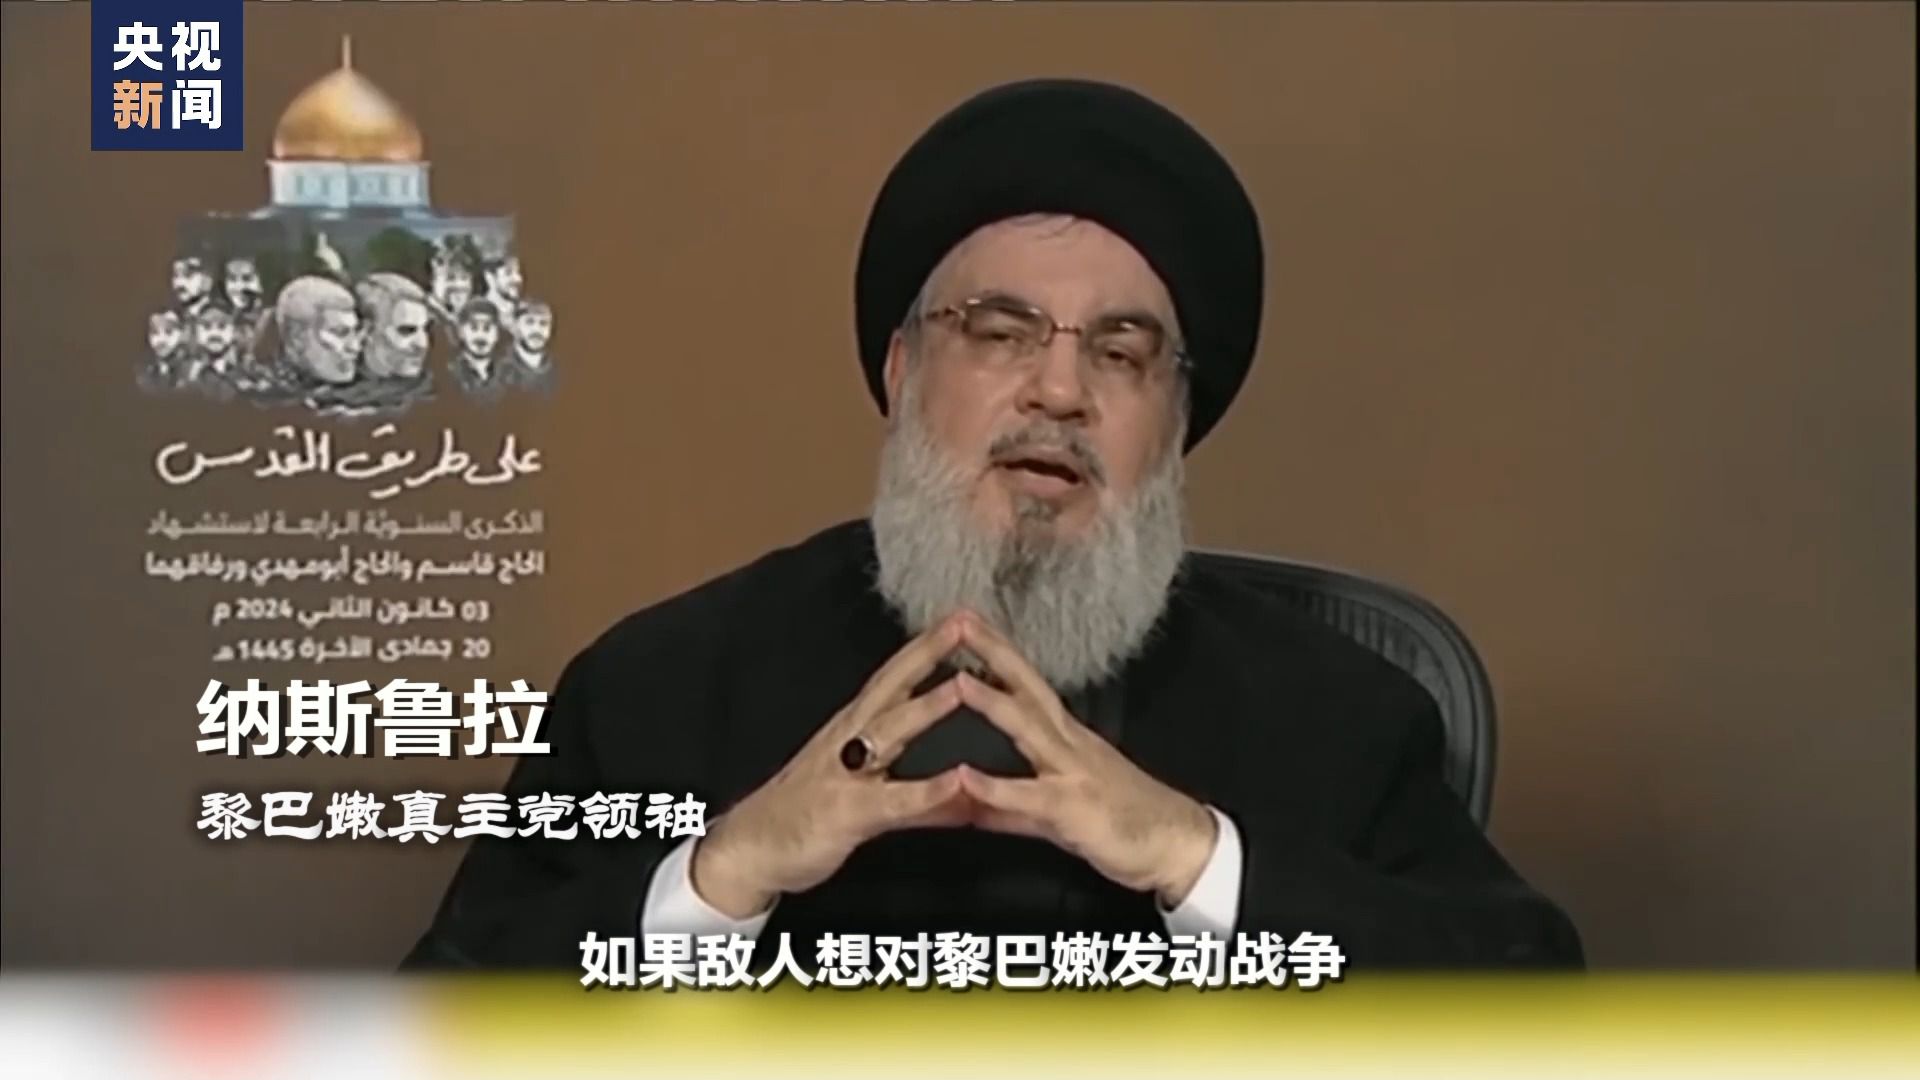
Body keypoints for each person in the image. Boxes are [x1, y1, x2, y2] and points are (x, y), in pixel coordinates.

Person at [406, 79, 1582, 972]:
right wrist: (723, 875)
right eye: (1000, 333)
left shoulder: (1338, 713)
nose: (1059, 391)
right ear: (902, 369)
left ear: (1175, 422)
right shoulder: (662, 686)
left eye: (1122, 353)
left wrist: (1195, 855)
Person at [501, 298, 555, 394]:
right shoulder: (500, 369)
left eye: (543, 323)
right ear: (515, 326)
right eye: (529, 322)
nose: (536, 330)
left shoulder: (557, 369)